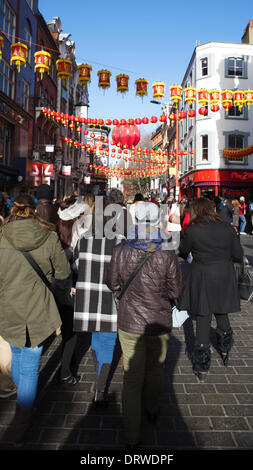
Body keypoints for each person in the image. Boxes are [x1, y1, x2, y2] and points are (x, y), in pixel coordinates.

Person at [106, 202, 182, 448]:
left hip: (130, 322)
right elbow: (176, 290)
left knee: (132, 377)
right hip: (159, 321)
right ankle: (152, 409)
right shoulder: (168, 252)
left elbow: (113, 283)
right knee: (157, 369)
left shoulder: (120, 249)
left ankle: (131, 435)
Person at [0, 194, 70, 446]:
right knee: (29, 364)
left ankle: (21, 401)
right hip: (38, 308)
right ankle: (21, 424)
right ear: (35, 212)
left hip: (8, 308)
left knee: (18, 355)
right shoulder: (49, 237)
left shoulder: (1, 237)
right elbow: (63, 273)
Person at [179, 198, 243, 382]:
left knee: (203, 315)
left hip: (202, 274)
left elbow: (183, 252)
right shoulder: (227, 228)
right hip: (223, 273)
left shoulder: (192, 230)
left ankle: (202, 364)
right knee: (222, 311)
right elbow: (238, 254)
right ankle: (225, 347)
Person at [73, 197, 124, 406]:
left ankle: (99, 380)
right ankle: (100, 387)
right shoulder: (120, 241)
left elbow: (76, 266)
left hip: (90, 296)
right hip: (111, 296)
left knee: (96, 335)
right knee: (109, 340)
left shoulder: (84, 239)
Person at [54, 196, 91, 385]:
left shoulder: (56, 229)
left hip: (57, 285)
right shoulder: (79, 233)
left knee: (66, 326)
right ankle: (66, 371)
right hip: (71, 285)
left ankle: (69, 359)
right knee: (71, 330)